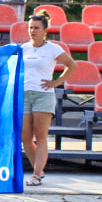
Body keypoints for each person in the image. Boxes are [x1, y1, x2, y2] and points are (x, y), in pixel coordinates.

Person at [22, 12, 75, 188]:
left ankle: (36, 174)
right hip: (25, 94)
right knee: (26, 138)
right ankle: (39, 168)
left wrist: (56, 82)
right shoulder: (23, 48)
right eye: (30, 27)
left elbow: (72, 65)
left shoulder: (53, 48)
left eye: (36, 28)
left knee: (41, 136)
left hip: (43, 94)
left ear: (45, 30)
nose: (33, 31)